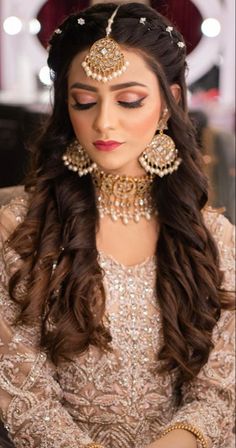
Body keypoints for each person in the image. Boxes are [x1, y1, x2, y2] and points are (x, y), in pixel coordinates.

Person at [0, 3, 235, 448]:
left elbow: (221, 388)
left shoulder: (213, 237)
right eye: (84, 101)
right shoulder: (21, 229)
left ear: (170, 102)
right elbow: (21, 389)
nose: (104, 121)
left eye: (129, 100)